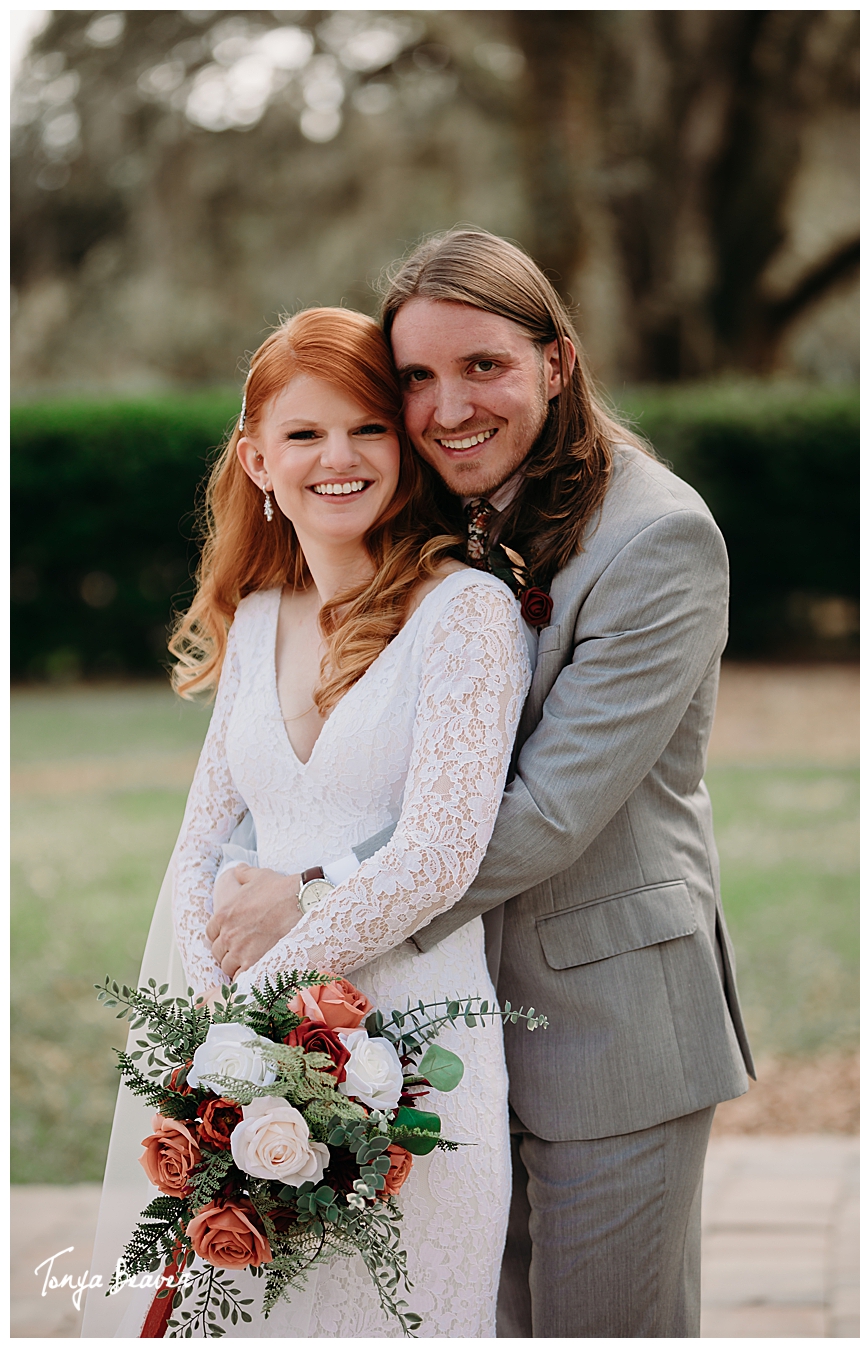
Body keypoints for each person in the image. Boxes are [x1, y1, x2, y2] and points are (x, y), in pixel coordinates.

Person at [198, 229, 754, 1336]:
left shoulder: (658, 539)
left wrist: (309, 898)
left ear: (557, 362)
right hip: (432, 1028)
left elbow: (547, 813)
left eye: (483, 366)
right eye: (416, 378)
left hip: (609, 1027)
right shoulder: (433, 521)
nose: (448, 407)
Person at [85, 306, 530, 1336]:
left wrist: (260, 1001)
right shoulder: (258, 622)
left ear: (405, 447)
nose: (340, 457)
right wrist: (213, 1036)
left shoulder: (465, 615)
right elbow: (203, 840)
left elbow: (437, 855)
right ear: (256, 460)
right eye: (304, 434)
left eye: (369, 428)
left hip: (408, 1052)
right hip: (238, 1070)